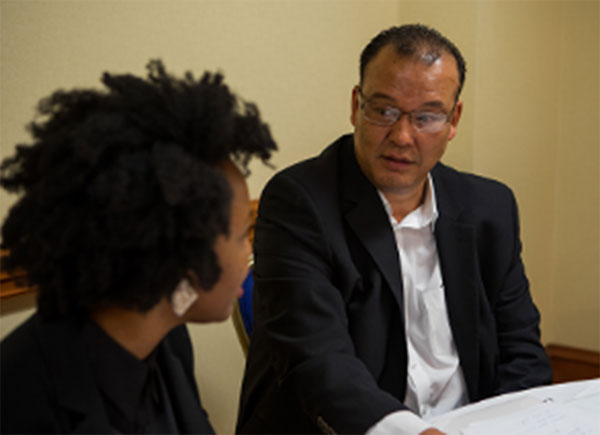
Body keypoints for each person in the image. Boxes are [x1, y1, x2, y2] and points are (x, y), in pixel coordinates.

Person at [237, 24, 552, 434]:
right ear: (355, 105)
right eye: (383, 111)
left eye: (426, 117)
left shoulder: (490, 208)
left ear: (453, 120)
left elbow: (522, 353)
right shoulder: (300, 202)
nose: (403, 136)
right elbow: (318, 361)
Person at [0, 60, 276, 434]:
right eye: (244, 233)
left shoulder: (168, 341)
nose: (249, 253)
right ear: (184, 250)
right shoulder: (19, 404)